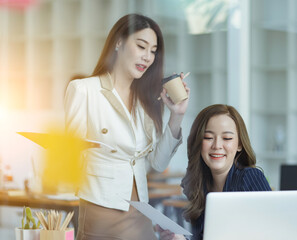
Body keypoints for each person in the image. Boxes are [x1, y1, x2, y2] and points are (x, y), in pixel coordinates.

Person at [64, 14, 190, 240]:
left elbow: (158, 164)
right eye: (141, 46)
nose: (147, 57)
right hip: (100, 210)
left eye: (153, 51)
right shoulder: (84, 90)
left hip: (140, 210)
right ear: (118, 42)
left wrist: (176, 115)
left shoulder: (146, 100)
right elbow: (69, 158)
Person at [156, 104, 271, 240]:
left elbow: (272, 232)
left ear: (239, 144)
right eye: (208, 137)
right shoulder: (199, 187)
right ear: (198, 142)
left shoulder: (250, 178)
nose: (217, 145)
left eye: (227, 138)